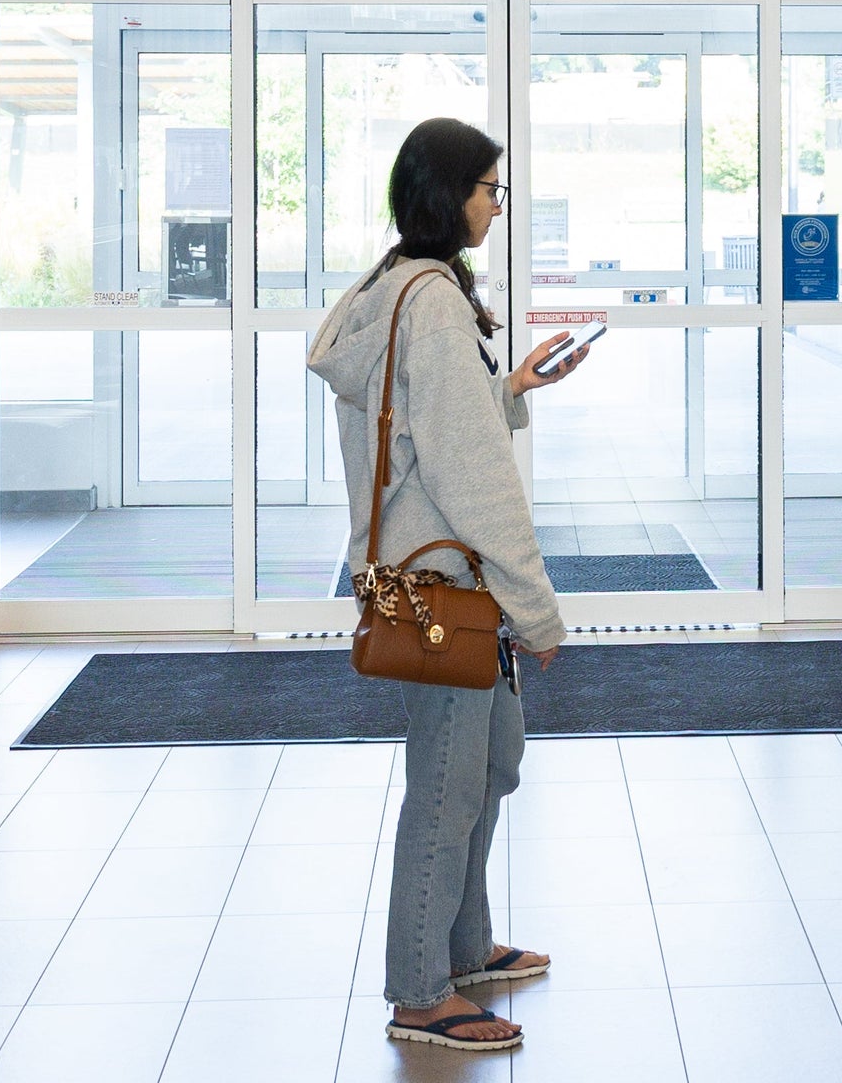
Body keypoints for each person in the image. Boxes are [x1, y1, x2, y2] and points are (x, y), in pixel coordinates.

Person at [306, 117, 592, 1056]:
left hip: (438, 576)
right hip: (446, 587)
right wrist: (538, 612)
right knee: (445, 788)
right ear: (446, 195)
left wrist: (506, 390)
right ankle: (420, 991)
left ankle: (464, 946)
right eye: (487, 191)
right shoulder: (429, 302)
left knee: (491, 762)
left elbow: (436, 431)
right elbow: (474, 482)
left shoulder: (403, 285)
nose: (495, 207)